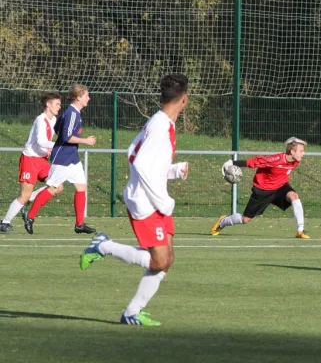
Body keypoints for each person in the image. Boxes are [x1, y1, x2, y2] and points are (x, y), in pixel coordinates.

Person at [79, 74, 189, 326]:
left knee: (166, 260)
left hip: (153, 198)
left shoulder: (159, 122)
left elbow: (133, 153)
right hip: (146, 202)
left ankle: (132, 312)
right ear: (184, 99)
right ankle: (102, 246)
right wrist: (163, 200)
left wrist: (173, 170)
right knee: (160, 260)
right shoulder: (161, 126)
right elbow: (140, 162)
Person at [22, 84, 97, 234]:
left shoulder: (72, 112)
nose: (89, 98)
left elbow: (57, 128)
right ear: (78, 97)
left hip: (72, 157)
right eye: (86, 95)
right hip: (63, 157)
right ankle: (29, 216)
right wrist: (86, 141)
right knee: (53, 188)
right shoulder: (72, 113)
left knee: (81, 187)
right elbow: (66, 136)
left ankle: (79, 224)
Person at [211, 137, 309, 239]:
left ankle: (300, 231)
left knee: (294, 196)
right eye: (301, 151)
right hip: (263, 190)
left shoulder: (296, 161)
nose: (303, 154)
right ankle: (223, 222)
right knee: (245, 219)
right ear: (292, 151)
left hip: (280, 186)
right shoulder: (276, 160)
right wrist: (232, 163)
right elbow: (256, 162)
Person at [0, 94, 65, 233]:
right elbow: (41, 141)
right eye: (57, 104)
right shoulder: (40, 120)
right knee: (24, 194)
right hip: (30, 159)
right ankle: (4, 223)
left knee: (58, 185)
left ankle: (28, 202)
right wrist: (58, 145)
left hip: (41, 160)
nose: (59, 107)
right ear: (48, 104)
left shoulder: (54, 120)